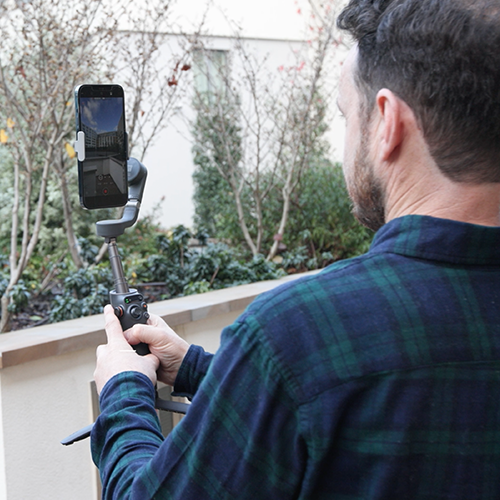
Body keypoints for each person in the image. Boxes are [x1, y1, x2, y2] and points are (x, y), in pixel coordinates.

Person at [91, 0, 500, 498]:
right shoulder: (298, 353)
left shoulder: (300, 333)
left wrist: (123, 391)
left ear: (388, 122)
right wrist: (196, 366)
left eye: (347, 116)